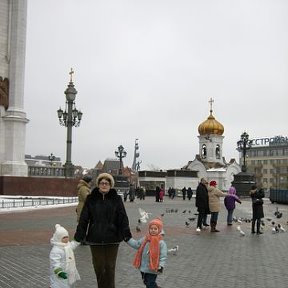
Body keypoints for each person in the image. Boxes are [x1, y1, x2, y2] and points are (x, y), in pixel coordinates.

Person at [74, 173, 132, 288]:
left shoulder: (116, 199)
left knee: (110, 267)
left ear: (110, 185)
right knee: (99, 267)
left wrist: (127, 235)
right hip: (95, 238)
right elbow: (84, 219)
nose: (104, 185)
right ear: (98, 184)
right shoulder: (91, 199)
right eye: (102, 183)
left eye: (107, 183)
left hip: (113, 238)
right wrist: (78, 237)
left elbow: (122, 217)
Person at [127, 218, 167, 288]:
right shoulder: (145, 239)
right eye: (151, 228)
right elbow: (137, 244)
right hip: (143, 267)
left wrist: (161, 266)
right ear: (149, 229)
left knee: (150, 283)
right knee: (146, 282)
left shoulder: (161, 243)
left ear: (159, 230)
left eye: (155, 229)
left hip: (153, 268)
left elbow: (163, 256)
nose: (153, 230)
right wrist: (128, 239)